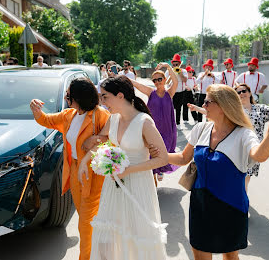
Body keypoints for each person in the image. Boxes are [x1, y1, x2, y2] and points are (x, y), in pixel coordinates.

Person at [168, 84, 269, 260]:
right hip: (200, 204)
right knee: (199, 253)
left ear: (223, 106)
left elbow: (259, 155)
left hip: (230, 205)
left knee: (230, 256)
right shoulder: (201, 129)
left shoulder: (244, 134)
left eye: (208, 101)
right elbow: (184, 158)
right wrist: (159, 155)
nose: (204, 104)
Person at [78, 75, 169, 260]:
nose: (102, 102)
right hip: (113, 186)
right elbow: (101, 142)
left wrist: (128, 170)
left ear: (120, 96)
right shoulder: (113, 119)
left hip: (138, 185)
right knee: (106, 240)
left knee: (136, 238)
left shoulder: (144, 122)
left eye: (105, 96)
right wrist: (85, 161)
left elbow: (163, 159)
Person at [30, 78, 110, 260]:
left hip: (94, 174)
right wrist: (36, 109)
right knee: (85, 216)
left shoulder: (101, 115)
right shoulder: (69, 115)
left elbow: (113, 137)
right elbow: (46, 120)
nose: (66, 98)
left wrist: (95, 140)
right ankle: (100, 252)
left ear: (79, 98)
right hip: (74, 171)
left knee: (85, 223)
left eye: (68, 96)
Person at [130, 62, 178, 183]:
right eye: (154, 80)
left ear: (165, 79)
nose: (157, 82)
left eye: (159, 79)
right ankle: (153, 175)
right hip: (153, 128)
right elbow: (136, 84)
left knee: (164, 150)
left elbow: (176, 81)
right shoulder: (151, 92)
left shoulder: (169, 93)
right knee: (152, 151)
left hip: (167, 129)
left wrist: (168, 67)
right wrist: (122, 77)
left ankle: (159, 170)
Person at [235, 83, 269, 191]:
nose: (241, 94)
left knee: (246, 179)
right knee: (237, 178)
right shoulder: (234, 111)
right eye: (238, 92)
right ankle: (238, 200)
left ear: (250, 93)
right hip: (237, 148)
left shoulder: (260, 109)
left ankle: (241, 202)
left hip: (254, 149)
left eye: (244, 91)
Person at [165, 54, 187, 126]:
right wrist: (172, 73)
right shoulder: (168, 71)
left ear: (179, 64)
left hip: (181, 92)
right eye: (173, 64)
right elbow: (166, 82)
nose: (175, 65)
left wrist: (179, 73)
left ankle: (178, 123)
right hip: (171, 92)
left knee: (178, 108)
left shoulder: (183, 71)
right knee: (170, 108)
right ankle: (170, 123)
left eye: (176, 64)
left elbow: (185, 80)